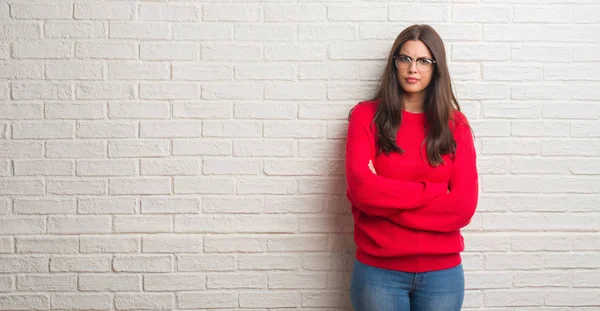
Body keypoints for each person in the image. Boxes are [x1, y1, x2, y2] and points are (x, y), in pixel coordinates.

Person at [345, 24, 479, 311]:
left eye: (423, 61)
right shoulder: (365, 117)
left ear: (436, 67)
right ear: (394, 64)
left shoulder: (456, 126)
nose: (412, 69)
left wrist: (387, 203)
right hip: (378, 273)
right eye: (404, 59)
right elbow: (362, 190)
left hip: (442, 276)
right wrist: (434, 191)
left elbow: (463, 206)